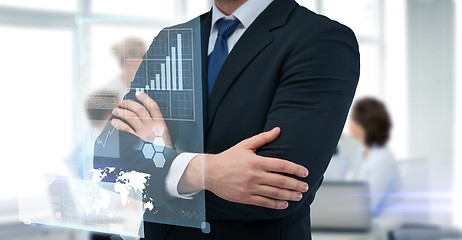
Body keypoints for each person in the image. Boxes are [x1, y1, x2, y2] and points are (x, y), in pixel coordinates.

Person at [94, 0, 360, 239]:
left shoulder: (321, 39)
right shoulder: (171, 40)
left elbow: (277, 189)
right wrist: (206, 171)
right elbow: (109, 161)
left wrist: (162, 156)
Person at [349, 97, 401, 217]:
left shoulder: (382, 160)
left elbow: (368, 206)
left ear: (364, 125)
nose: (350, 125)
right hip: (363, 222)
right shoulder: (363, 151)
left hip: (382, 229)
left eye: (353, 120)